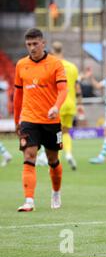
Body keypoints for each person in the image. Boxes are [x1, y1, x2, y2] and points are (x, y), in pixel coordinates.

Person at [14, 28, 67, 212]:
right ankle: (29, 200)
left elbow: (63, 90)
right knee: (29, 156)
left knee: (53, 160)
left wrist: (56, 107)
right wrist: (16, 120)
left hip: (51, 121)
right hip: (29, 119)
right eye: (29, 44)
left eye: (35, 44)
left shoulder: (55, 64)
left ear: (43, 43)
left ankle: (56, 192)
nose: (32, 48)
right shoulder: (21, 65)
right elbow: (17, 95)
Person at [51, 41, 84, 170]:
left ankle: (53, 158)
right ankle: (69, 154)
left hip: (57, 104)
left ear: (53, 53)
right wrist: (80, 104)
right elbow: (78, 87)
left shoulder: (53, 66)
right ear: (62, 52)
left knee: (53, 132)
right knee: (65, 131)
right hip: (70, 104)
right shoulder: (72, 67)